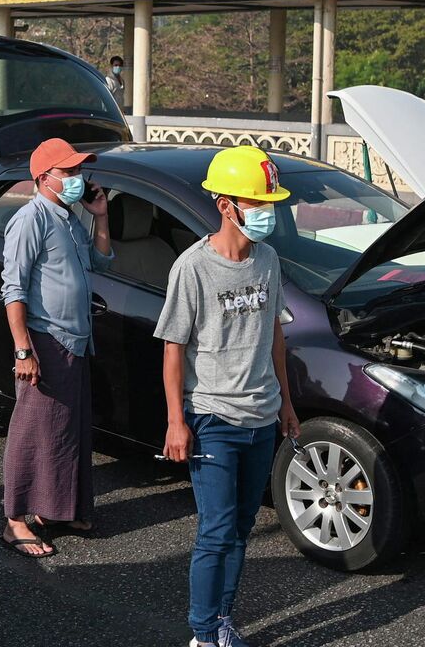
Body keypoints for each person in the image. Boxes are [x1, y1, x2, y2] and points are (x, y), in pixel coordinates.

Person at [156, 145, 302, 647]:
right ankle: (201, 633)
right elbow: (173, 350)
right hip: (213, 417)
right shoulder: (192, 269)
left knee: (240, 531)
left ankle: (222, 621)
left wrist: (285, 402)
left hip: (261, 418)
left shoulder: (268, 261)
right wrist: (178, 421)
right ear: (226, 205)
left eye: (270, 203)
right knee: (215, 532)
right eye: (258, 203)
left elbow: (275, 335)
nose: (267, 213)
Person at [0, 137, 113, 559]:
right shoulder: (31, 219)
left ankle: (57, 510)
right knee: (32, 431)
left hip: (76, 341)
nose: (78, 178)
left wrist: (100, 217)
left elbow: (101, 263)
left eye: (79, 171)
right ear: (45, 178)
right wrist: (23, 350)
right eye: (69, 172)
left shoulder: (67, 217)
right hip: (45, 340)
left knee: (66, 431)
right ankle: (15, 521)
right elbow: (13, 288)